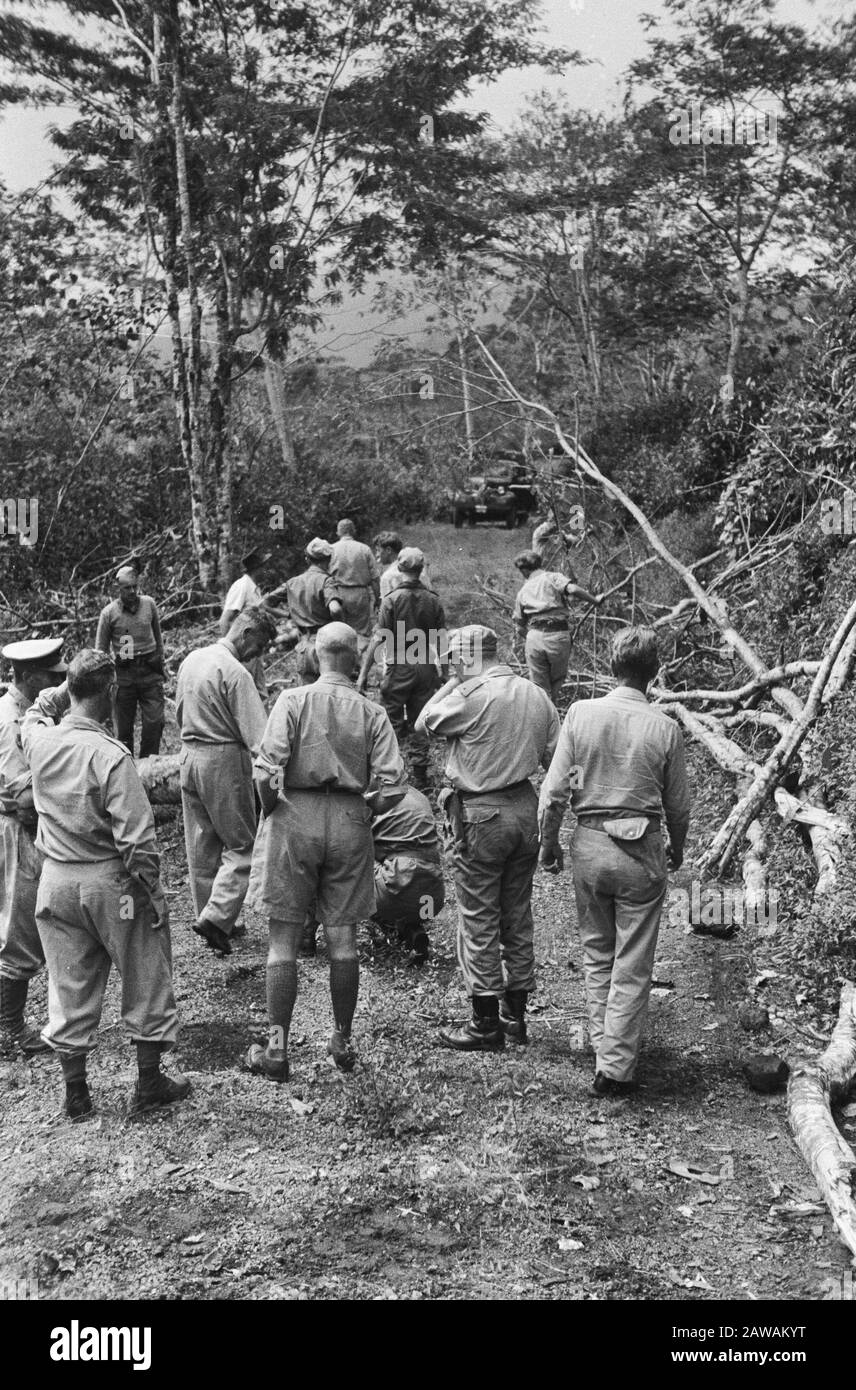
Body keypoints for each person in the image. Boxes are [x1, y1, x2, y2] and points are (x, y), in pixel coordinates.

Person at [21, 649, 188, 1120]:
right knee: (145, 970)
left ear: (72, 692)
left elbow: (34, 713)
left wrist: (62, 690)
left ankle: (76, 1092)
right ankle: (149, 1083)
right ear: (112, 693)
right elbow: (137, 839)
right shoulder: (110, 756)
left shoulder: (40, 741)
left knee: (67, 981)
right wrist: (153, 893)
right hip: (112, 888)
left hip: (55, 884)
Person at [246, 622, 406, 1081]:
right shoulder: (372, 711)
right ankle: (342, 1038)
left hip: (296, 813)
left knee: (283, 942)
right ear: (356, 659)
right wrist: (366, 807)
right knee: (343, 939)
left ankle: (277, 1052)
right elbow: (395, 784)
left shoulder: (293, 701)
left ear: (317, 658)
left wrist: (273, 809)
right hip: (350, 820)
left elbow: (266, 771)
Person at [538, 626, 690, 1097]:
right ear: (655, 671)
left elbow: (553, 793)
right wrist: (678, 847)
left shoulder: (581, 714)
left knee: (597, 951)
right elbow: (679, 807)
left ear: (611, 667)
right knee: (633, 959)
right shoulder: (666, 728)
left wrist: (549, 844)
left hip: (590, 844)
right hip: (641, 848)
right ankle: (616, 1067)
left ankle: (607, 1053)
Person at [416, 625, 560, 1051]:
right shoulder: (537, 694)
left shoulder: (469, 696)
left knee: (478, 913)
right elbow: (555, 756)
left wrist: (454, 681)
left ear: (464, 658)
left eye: (454, 660)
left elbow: (426, 721)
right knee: (517, 911)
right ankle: (515, 1015)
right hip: (524, 808)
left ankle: (484, 1022)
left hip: (481, 812)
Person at [175, 607, 278, 957]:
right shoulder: (235, 673)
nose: (259, 654)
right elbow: (259, 738)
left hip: (188, 756)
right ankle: (217, 920)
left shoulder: (192, 659)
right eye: (260, 645)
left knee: (201, 846)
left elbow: (178, 712)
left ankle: (215, 916)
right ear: (245, 631)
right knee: (242, 845)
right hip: (222, 758)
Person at [0, 638, 67, 1056]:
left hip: (24, 827)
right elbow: (19, 794)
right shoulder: (9, 721)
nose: (55, 682)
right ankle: (9, 1030)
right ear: (26, 676)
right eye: (48, 676)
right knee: (17, 925)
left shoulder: (29, 714)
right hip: (17, 830)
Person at [357, 546, 445, 790]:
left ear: (400, 567)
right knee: (420, 720)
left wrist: (364, 673)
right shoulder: (433, 599)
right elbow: (442, 640)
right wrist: (444, 672)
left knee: (392, 722)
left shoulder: (391, 600)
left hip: (400, 664)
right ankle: (419, 775)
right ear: (421, 569)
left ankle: (391, 775)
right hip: (425, 664)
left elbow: (379, 638)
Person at [512, 550, 603, 704]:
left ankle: (544, 714)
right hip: (557, 634)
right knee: (557, 679)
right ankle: (551, 710)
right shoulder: (551, 577)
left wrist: (535, 637)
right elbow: (573, 589)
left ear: (525, 570)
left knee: (539, 685)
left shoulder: (522, 591)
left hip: (534, 637)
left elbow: (519, 627)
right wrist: (595, 600)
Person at [94, 564, 165, 757]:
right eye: (127, 588)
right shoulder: (109, 613)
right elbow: (100, 651)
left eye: (134, 586)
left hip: (150, 672)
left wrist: (161, 663)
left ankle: (148, 765)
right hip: (124, 676)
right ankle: (125, 769)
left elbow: (158, 638)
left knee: (155, 722)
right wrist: (105, 681)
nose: (132, 591)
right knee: (123, 730)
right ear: (118, 589)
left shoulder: (149, 604)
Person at [371, 783, 445, 966]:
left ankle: (308, 934)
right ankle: (411, 928)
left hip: (396, 887)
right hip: (432, 899)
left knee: (352, 860)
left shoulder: (375, 799)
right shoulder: (420, 796)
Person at [278, 538, 344, 685]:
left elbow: (266, 603)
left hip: (303, 646)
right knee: (330, 691)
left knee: (307, 693)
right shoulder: (326, 581)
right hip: (325, 645)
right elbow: (335, 608)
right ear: (329, 559)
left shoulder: (293, 582)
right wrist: (340, 626)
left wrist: (289, 615)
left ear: (307, 559)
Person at [220, 549, 274, 702]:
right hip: (243, 650)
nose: (266, 571)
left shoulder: (253, 588)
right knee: (245, 694)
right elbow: (225, 619)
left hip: (253, 650)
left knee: (259, 691)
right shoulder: (242, 586)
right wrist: (230, 654)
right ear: (256, 569)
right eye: (264, 567)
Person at [329, 519, 380, 649]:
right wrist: (378, 599)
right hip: (360, 594)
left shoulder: (330, 549)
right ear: (354, 531)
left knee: (341, 631)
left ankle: (345, 662)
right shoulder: (364, 549)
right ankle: (360, 660)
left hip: (337, 594)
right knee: (361, 632)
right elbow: (375, 578)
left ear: (338, 532)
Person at [374, 531, 435, 599]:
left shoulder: (387, 577)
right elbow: (430, 593)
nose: (376, 555)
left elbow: (386, 605)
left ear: (388, 550)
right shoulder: (419, 570)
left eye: (378, 550)